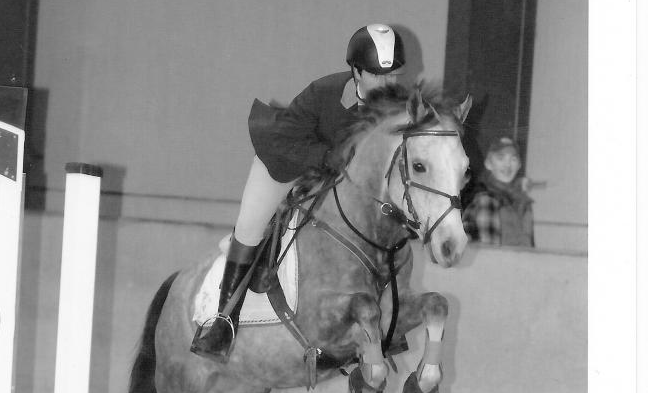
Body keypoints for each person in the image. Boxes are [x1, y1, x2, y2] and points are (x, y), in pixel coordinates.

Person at [191, 23, 408, 362]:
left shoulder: (399, 108)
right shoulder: (324, 92)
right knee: (251, 227)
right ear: (356, 71)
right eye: (378, 76)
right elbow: (284, 139)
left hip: (337, 180)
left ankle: (386, 323)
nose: (388, 84)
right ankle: (222, 322)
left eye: (393, 75)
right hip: (285, 163)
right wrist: (326, 156)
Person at [462, 135, 535, 248]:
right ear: (488, 164)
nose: (507, 164)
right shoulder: (486, 200)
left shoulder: (523, 202)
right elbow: (490, 253)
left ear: (519, 165)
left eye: (513, 159)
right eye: (500, 158)